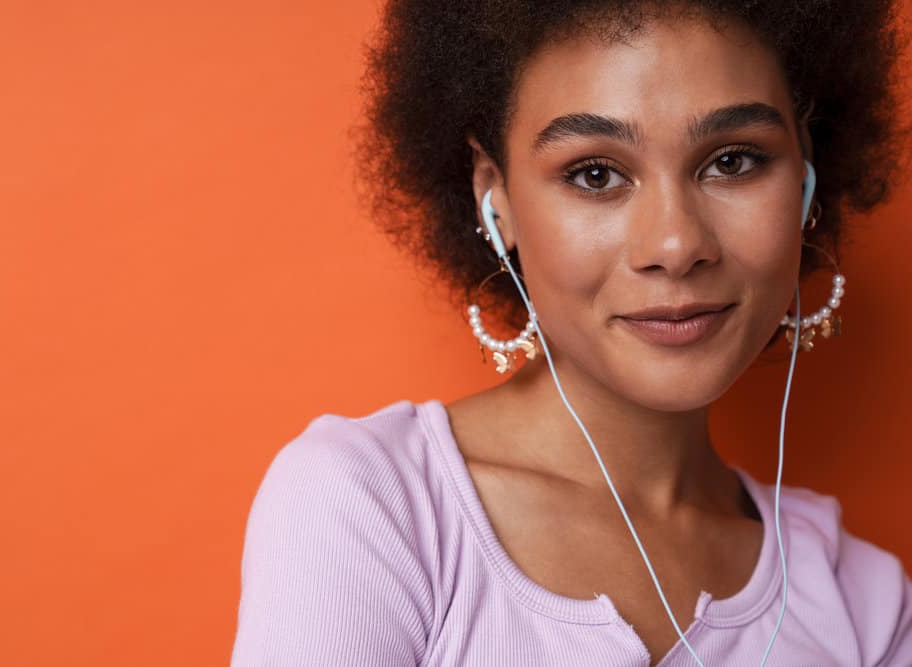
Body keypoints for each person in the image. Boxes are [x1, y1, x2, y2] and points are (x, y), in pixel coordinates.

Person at [231, 1, 912, 665]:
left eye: (732, 161)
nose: (675, 244)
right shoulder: (372, 510)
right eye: (596, 174)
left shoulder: (862, 604)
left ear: (804, 177)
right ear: (495, 199)